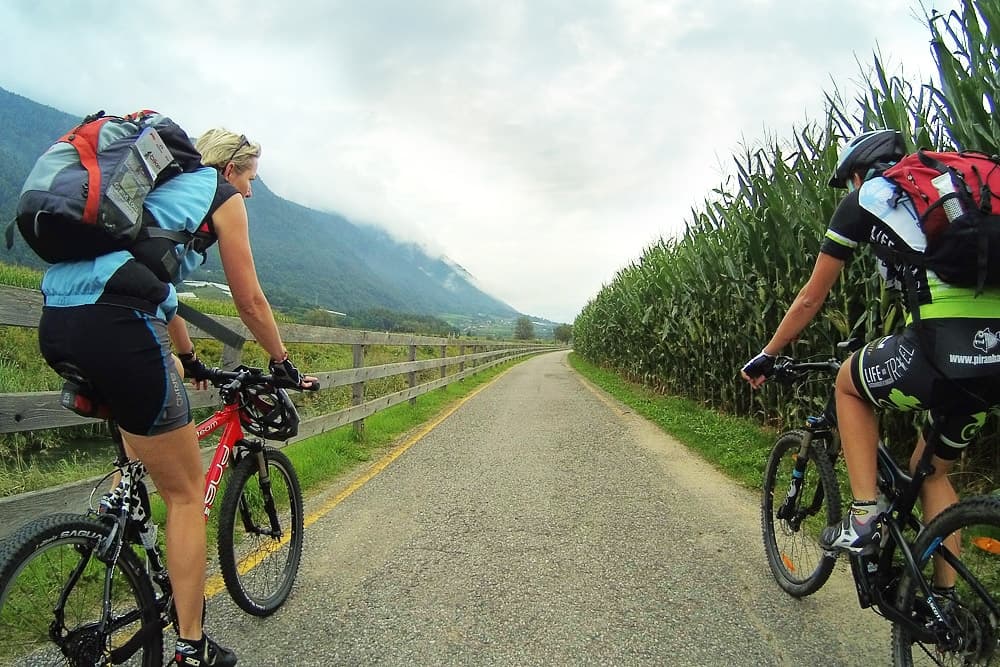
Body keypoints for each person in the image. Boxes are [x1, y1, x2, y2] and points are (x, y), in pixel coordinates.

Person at [38, 128, 317, 667]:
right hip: (118, 327)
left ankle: (118, 529)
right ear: (230, 170)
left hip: (60, 320)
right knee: (187, 496)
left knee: (143, 447)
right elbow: (251, 301)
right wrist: (282, 362)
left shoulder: (148, 200)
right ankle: (192, 648)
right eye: (251, 178)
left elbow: (154, 293)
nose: (252, 192)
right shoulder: (221, 197)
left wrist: (187, 358)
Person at [740, 129, 1000, 589]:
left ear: (857, 173)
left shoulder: (869, 197)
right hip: (994, 359)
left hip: (942, 351)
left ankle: (864, 516)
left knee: (846, 383)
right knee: (932, 473)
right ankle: (944, 609)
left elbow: (809, 299)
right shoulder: (958, 197)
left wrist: (767, 354)